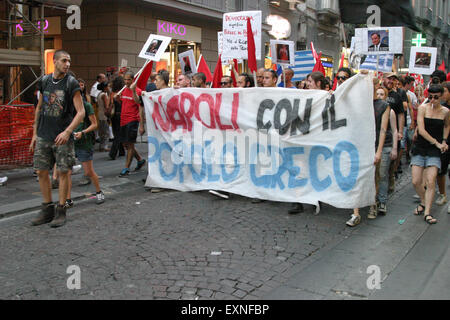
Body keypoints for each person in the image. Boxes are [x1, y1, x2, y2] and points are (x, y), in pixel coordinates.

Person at [29, 49, 85, 228]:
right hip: (44, 135)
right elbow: (39, 108)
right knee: (41, 171)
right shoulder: (45, 81)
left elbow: (81, 112)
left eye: (69, 61)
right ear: (54, 61)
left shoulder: (71, 83)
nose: (67, 64)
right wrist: (34, 134)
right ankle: (47, 209)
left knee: (63, 172)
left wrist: (68, 132)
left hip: (62, 136)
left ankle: (61, 210)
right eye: (64, 60)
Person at [347, 84, 398, 226]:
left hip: (376, 145)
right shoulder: (360, 103)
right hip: (360, 145)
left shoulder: (384, 106)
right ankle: (356, 212)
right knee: (358, 178)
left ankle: (373, 203)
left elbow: (383, 130)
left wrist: (379, 151)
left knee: (377, 177)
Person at [411, 84, 449, 225]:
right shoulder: (423, 108)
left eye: (436, 97)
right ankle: (423, 200)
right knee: (416, 181)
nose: (432, 100)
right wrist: (437, 143)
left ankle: (427, 212)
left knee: (431, 181)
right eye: (430, 97)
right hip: (421, 147)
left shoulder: (445, 111)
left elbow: (447, 125)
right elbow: (421, 130)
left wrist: (444, 140)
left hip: (434, 151)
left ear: (441, 97)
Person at [65, 80, 105, 208]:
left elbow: (95, 124)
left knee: (88, 172)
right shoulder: (68, 107)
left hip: (84, 143)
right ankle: (68, 199)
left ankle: (99, 192)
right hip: (71, 142)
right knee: (67, 172)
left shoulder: (86, 106)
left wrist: (82, 132)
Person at [117, 71, 146, 177]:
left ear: (133, 80)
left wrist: (141, 125)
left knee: (130, 144)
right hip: (123, 120)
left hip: (132, 120)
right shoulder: (124, 90)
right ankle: (140, 160)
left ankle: (126, 168)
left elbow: (139, 104)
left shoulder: (137, 91)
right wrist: (117, 99)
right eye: (125, 79)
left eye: (128, 79)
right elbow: (124, 103)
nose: (126, 81)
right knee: (126, 144)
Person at [383, 72, 404, 194]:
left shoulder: (397, 96)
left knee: (392, 158)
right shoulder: (376, 92)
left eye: (393, 79)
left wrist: (400, 131)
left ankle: (391, 176)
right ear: (383, 79)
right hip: (379, 130)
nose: (391, 81)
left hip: (392, 130)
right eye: (389, 78)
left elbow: (401, 114)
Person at [435, 81, 450, 207]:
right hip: (444, 143)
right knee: (441, 170)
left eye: (444, 91)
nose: (442, 94)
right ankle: (443, 194)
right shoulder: (442, 107)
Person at [108, 76, 126, 160]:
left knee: (116, 132)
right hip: (120, 114)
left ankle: (121, 151)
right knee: (119, 133)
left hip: (113, 115)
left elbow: (109, 103)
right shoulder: (122, 93)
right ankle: (113, 152)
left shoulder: (112, 93)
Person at [96, 81, 110, 152]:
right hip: (104, 115)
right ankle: (105, 146)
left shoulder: (99, 94)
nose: (109, 87)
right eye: (108, 86)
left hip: (100, 114)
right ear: (105, 87)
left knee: (101, 131)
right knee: (106, 132)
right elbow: (106, 106)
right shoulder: (104, 95)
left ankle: (101, 146)